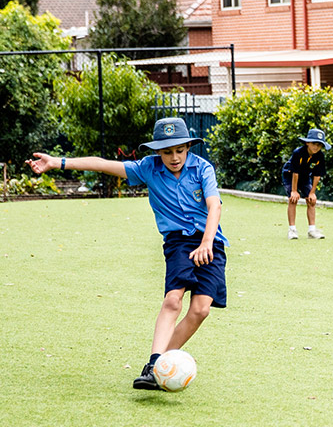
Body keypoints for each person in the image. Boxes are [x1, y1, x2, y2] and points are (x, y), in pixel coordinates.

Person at [26, 117, 228, 390]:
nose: (174, 157)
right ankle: (154, 365)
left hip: (210, 241)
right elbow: (102, 164)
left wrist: (206, 242)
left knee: (201, 310)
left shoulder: (203, 168)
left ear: (189, 146)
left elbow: (214, 206)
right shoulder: (148, 169)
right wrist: (58, 162)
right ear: (157, 151)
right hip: (179, 242)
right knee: (173, 301)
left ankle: (162, 366)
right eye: (167, 151)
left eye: (179, 150)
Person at [282, 128, 331, 240]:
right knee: (293, 199)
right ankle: (292, 229)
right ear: (307, 142)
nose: (316, 147)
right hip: (290, 175)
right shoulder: (298, 153)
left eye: (319, 145)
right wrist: (294, 191)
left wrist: (312, 192)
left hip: (304, 177)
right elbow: (295, 172)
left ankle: (312, 230)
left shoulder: (320, 156)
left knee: (311, 200)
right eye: (314, 143)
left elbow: (317, 175)